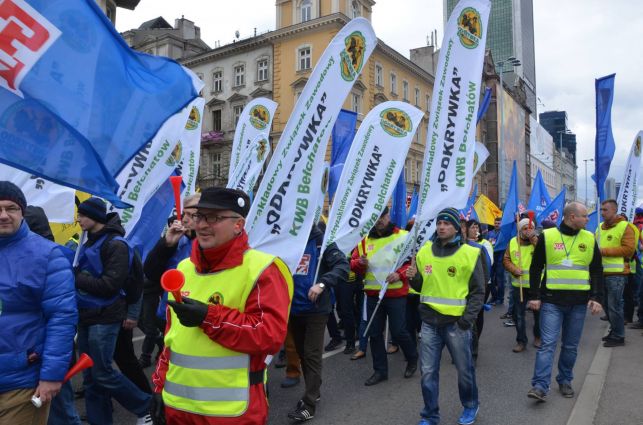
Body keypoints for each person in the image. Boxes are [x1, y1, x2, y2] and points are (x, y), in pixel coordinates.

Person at [151, 187, 293, 425]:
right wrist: (158, 385)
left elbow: (269, 336)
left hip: (231, 413)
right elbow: (171, 338)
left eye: (214, 218)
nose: (203, 225)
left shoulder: (263, 269)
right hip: (177, 408)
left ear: (238, 225)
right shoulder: (184, 268)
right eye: (199, 216)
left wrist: (208, 317)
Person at [0, 182, 78, 424]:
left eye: (10, 208)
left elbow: (62, 318)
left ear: (22, 211)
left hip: (21, 381)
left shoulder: (48, 255)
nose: (3, 215)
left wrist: (52, 376)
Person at [74, 197, 152, 425]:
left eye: (82, 215)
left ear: (96, 217)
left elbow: (110, 285)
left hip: (105, 316)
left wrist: (76, 278)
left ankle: (147, 406)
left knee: (102, 372)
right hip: (87, 315)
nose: (78, 219)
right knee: (90, 377)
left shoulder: (116, 244)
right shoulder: (89, 242)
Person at [407, 207, 485, 425]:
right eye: (439, 223)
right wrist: (413, 278)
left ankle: (470, 405)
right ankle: (430, 415)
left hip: (456, 325)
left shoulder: (470, 253)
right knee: (428, 373)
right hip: (430, 323)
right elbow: (422, 286)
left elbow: (478, 292)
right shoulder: (424, 252)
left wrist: (466, 321)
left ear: (457, 228)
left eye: (447, 223)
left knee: (464, 370)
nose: (441, 227)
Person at [527, 202, 603, 401]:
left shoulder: (589, 237)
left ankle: (565, 380)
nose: (588, 219)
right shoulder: (548, 236)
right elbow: (536, 268)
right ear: (571, 217)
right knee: (548, 345)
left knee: (570, 346)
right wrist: (534, 296)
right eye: (584, 216)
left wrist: (596, 297)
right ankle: (540, 386)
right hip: (552, 302)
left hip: (579, 303)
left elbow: (596, 270)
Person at [350, 207, 418, 386]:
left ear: (388, 215)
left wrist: (400, 274)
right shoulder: (365, 240)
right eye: (376, 217)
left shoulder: (403, 236)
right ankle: (380, 371)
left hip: (395, 293)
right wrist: (360, 263)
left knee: (399, 331)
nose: (380, 220)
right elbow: (353, 263)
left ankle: (412, 358)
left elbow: (411, 262)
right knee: (374, 333)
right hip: (373, 294)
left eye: (383, 216)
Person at [287, 224, 349, 421]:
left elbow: (342, 266)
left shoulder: (323, 242)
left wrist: (322, 284)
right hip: (293, 308)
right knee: (302, 353)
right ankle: (314, 389)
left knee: (312, 354)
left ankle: (309, 404)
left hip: (316, 309)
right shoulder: (286, 240)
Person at [140, 194, 201, 368]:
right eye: (185, 214)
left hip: (199, 316)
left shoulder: (210, 243)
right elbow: (151, 272)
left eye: (193, 215)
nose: (186, 220)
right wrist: (166, 244)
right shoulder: (177, 241)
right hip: (170, 316)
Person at [595, 200, 635, 347]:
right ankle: (614, 331)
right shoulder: (599, 227)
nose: (602, 212)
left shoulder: (625, 226)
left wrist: (603, 251)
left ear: (614, 210)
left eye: (605, 210)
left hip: (617, 274)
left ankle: (619, 336)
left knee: (614, 306)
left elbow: (629, 250)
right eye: (601, 210)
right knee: (606, 305)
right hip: (602, 273)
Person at [503, 218, 540, 353]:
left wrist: (534, 240)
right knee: (518, 315)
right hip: (519, 285)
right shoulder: (513, 242)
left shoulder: (538, 241)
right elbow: (506, 260)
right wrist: (513, 269)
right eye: (524, 229)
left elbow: (545, 255)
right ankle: (521, 341)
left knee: (538, 314)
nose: (527, 231)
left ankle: (538, 337)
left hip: (536, 285)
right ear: (519, 230)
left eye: (530, 228)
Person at [487, 216, 507, 306]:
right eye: (495, 223)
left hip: (500, 257)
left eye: (499, 223)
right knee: (490, 279)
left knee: (499, 280)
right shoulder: (489, 233)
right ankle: (494, 296)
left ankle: (500, 298)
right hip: (491, 258)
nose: (496, 225)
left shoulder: (503, 234)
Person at [630, 207, 643, 329]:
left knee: (640, 292)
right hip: (639, 262)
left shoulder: (637, 225)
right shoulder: (638, 226)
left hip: (639, 262)